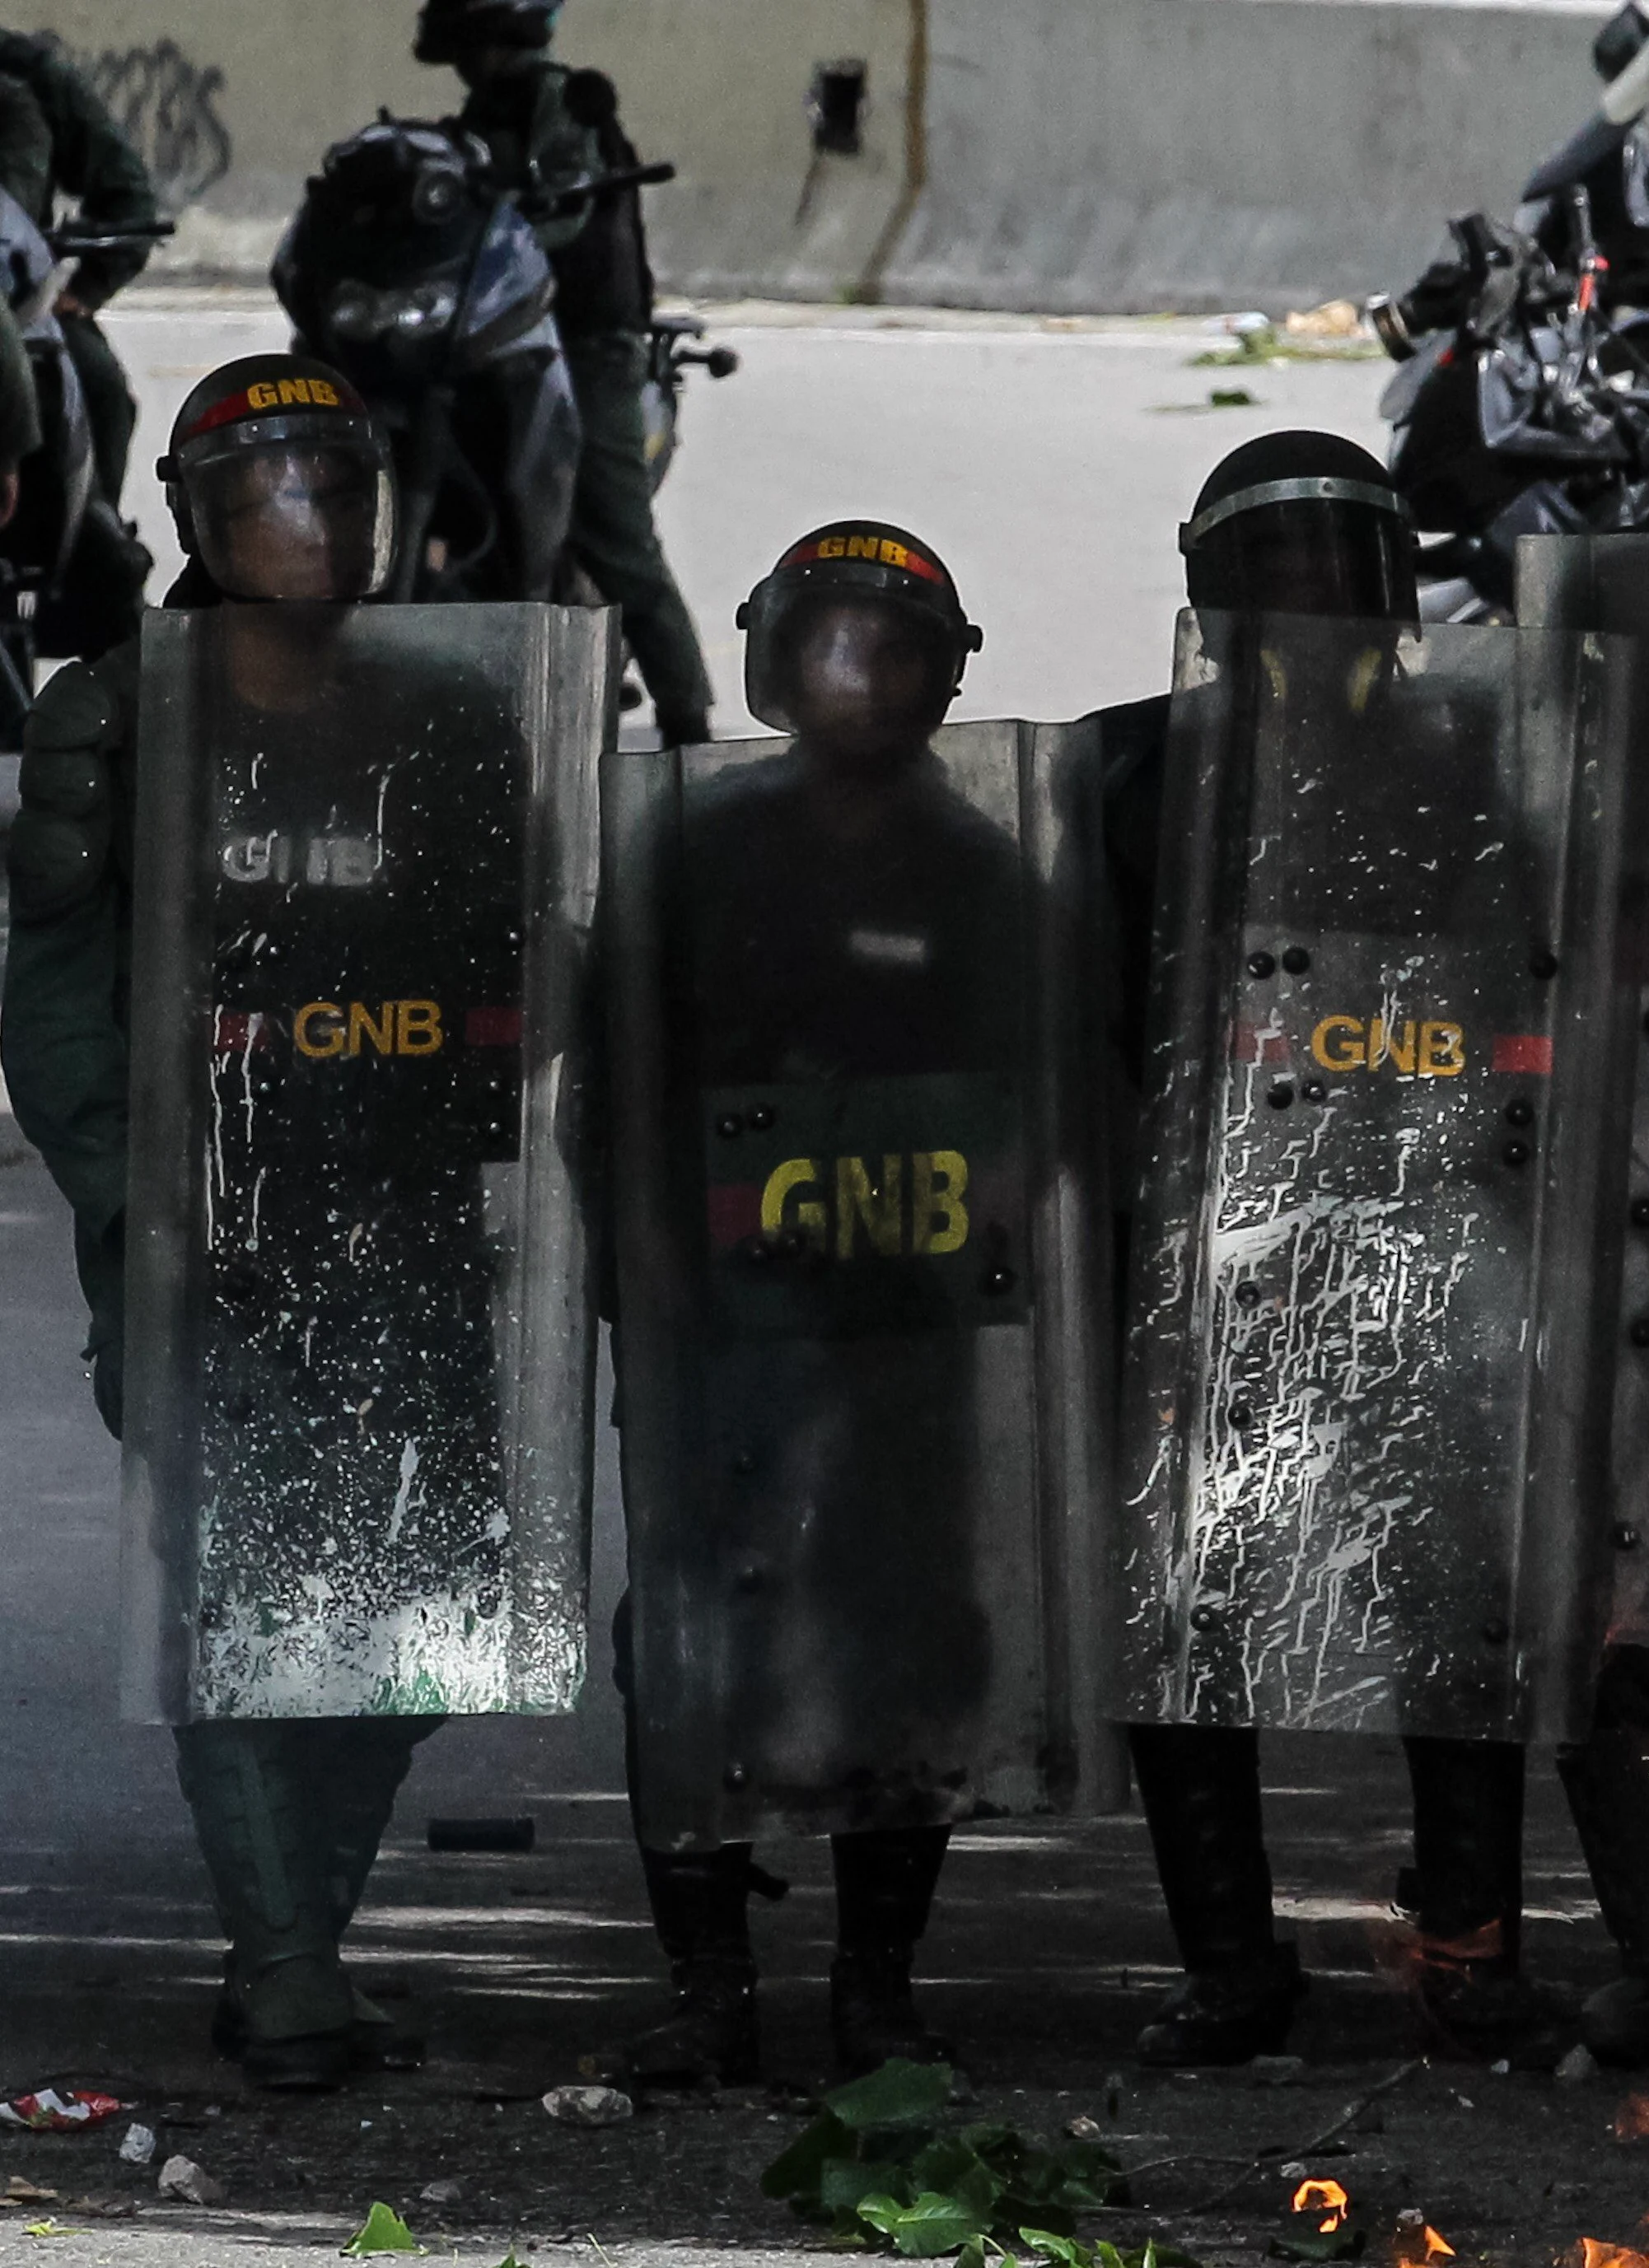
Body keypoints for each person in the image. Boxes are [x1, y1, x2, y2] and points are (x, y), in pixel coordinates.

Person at [5, 357, 447, 2092]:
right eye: (268, 496)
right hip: (204, 1238)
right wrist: (147, 1212)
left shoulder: (436, 711)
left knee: (411, 1615)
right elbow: (53, 1011)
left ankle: (301, 1937)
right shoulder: (116, 717)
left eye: (337, 490)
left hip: (402, 1225)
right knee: (244, 1600)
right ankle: (286, 1971)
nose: (311, 527)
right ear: (193, 520)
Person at [1087, 432, 1551, 2067]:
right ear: (1207, 601)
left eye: (1340, 575)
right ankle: (1229, 1956)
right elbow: (1078, 1037)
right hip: (1212, 1263)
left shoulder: (1483, 768)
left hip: (1427, 1243)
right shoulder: (1129, 782)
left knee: (1451, 1595)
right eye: (1273, 577)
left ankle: (1472, 1945)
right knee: (1186, 1602)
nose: (1310, 614)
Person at [616, 521, 1031, 2087]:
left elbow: (1034, 1103)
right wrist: (648, 1282)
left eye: (897, 644)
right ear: (774, 665)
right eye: (831, 640)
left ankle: (877, 1983)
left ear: (945, 678)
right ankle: (708, 1979)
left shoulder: (980, 872)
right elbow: (627, 1083)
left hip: (908, 1321)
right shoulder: (695, 848)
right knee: (691, 1622)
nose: (862, 672)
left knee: (904, 1620)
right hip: (715, 1315)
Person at [419, 0, 713, 744]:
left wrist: (508, 213)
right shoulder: (476, 119)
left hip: (584, 344)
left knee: (616, 536)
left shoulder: (566, 103)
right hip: (501, 339)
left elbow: (558, 211)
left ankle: (687, 724)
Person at [0, 29, 167, 642]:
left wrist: (84, 291)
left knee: (94, 387)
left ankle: (82, 559)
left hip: (16, 300)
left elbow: (129, 197)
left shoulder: (23, 84)